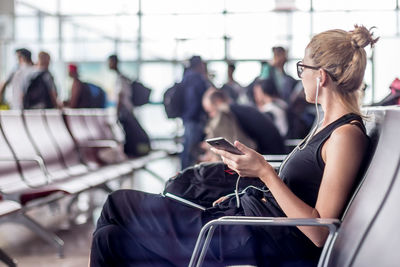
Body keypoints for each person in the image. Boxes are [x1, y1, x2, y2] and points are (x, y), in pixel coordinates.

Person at [90, 25, 377, 266]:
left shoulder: (345, 136)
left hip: (257, 239)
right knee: (110, 240)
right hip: (247, 225)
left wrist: (264, 172)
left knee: (117, 203)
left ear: (321, 76)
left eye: (303, 67)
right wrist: (249, 181)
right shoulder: (326, 127)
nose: (299, 75)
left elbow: (320, 231)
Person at [107, 54, 150, 157]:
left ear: (114, 62)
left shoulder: (120, 79)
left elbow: (120, 97)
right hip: (128, 110)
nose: (108, 65)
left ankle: (132, 153)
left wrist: (116, 112)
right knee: (130, 133)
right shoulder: (124, 78)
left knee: (129, 134)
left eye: (109, 62)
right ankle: (133, 153)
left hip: (125, 111)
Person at [199, 87, 256, 162]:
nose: (210, 116)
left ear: (219, 102)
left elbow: (231, 147)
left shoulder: (224, 113)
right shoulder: (240, 109)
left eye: (210, 111)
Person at [180, 55, 209, 169]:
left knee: (187, 147)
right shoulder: (197, 78)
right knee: (191, 149)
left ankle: (183, 173)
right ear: (199, 65)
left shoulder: (186, 77)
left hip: (187, 117)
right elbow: (200, 99)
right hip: (194, 118)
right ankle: (188, 174)